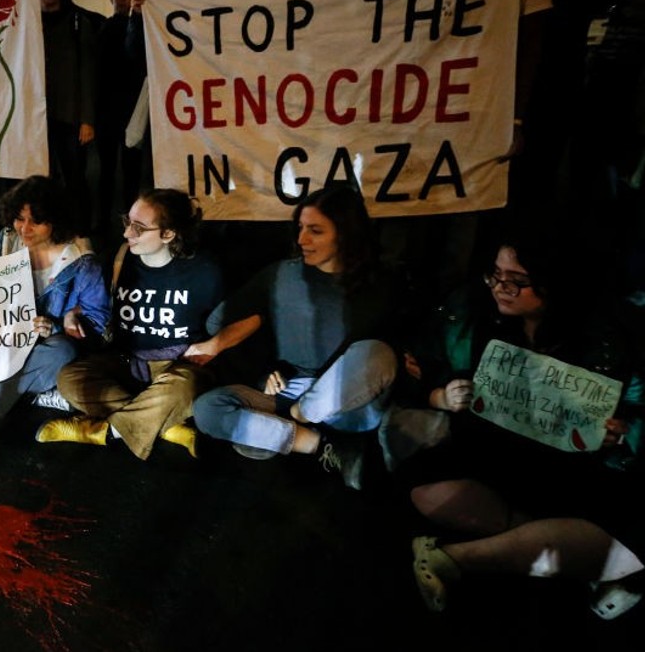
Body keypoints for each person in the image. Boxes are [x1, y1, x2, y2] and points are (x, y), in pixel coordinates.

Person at [385, 230, 644, 618]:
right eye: (495, 274)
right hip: (494, 456)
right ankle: (564, 551)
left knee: (628, 538)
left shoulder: (609, 335)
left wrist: (623, 432)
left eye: (518, 280)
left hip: (574, 472)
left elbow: (638, 409)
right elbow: (417, 365)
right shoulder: (469, 312)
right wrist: (440, 394)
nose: (501, 287)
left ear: (555, 283)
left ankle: (456, 558)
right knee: (422, 489)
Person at [189, 186, 402, 490]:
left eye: (315, 230)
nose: (302, 239)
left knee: (375, 352)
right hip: (292, 390)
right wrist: (265, 370)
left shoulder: (381, 284)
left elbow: (386, 359)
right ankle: (321, 446)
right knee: (207, 409)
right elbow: (219, 321)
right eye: (300, 228)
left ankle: (285, 428)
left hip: (347, 405)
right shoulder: (283, 275)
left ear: (346, 234)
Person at [37, 189, 224, 460]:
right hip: (124, 360)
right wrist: (73, 313)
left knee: (187, 387)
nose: (127, 233)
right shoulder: (120, 258)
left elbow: (249, 315)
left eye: (139, 228)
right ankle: (162, 425)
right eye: (128, 221)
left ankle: (101, 431)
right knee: (69, 378)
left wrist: (215, 344)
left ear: (168, 234)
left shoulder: (204, 271)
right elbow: (97, 300)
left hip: (175, 366)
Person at [0, 176, 111, 421]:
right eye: (19, 218)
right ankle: (33, 393)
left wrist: (56, 326)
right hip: (5, 345)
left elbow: (97, 322)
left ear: (56, 220)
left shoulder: (81, 261)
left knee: (64, 352)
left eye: (36, 221)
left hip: (45, 350)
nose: (25, 228)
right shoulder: (7, 241)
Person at [35, 0, 98, 234]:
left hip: (70, 116)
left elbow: (87, 73)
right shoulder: (27, 22)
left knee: (75, 178)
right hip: (37, 117)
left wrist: (87, 119)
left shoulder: (78, 22)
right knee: (42, 179)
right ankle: (50, 231)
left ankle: (81, 232)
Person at [93, 0, 145, 241]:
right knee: (106, 172)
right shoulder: (103, 27)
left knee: (131, 173)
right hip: (106, 113)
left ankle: (132, 223)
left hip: (132, 112)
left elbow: (133, 52)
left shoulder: (141, 28)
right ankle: (103, 223)